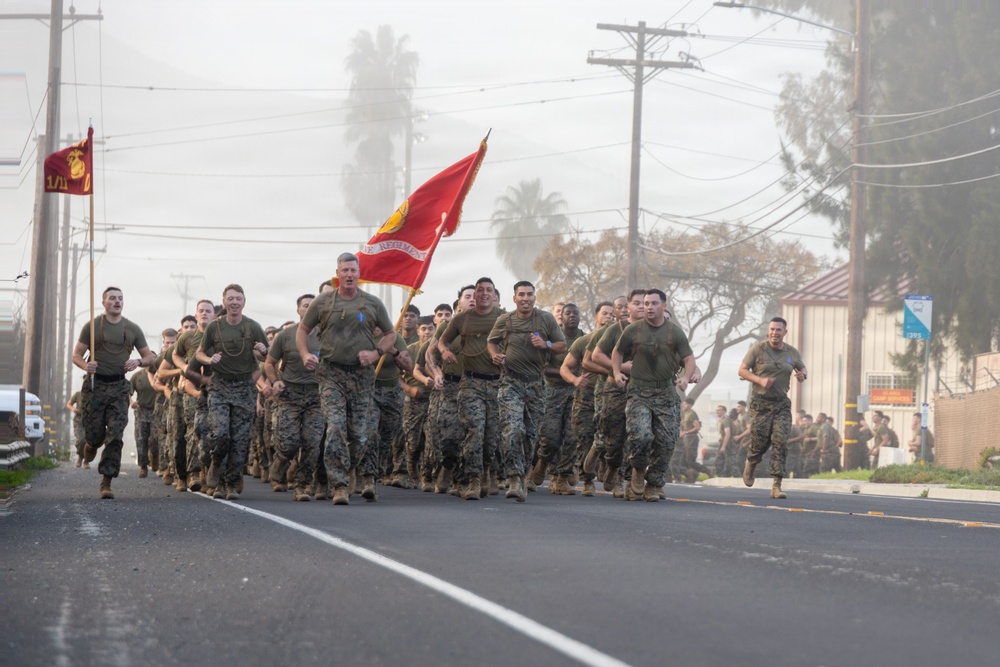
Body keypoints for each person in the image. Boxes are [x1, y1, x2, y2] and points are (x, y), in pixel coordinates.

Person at [297, 253, 396, 505]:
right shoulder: (323, 302)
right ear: (337, 273)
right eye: (345, 271)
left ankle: (350, 466)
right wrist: (305, 353)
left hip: (362, 377)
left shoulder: (372, 303)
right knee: (336, 426)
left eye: (353, 270)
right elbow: (303, 330)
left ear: (359, 273)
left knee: (360, 434)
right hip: (331, 373)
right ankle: (339, 484)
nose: (349, 275)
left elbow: (390, 334)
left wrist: (376, 353)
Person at [611, 288, 697, 501]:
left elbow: (689, 359)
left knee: (666, 442)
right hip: (639, 392)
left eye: (653, 303)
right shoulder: (634, 330)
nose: (648, 307)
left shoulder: (674, 332)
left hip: (665, 393)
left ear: (664, 306)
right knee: (640, 435)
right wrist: (616, 372)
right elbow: (617, 352)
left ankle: (654, 483)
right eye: (646, 304)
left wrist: (685, 378)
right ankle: (638, 470)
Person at [71, 286, 156, 499]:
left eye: (120, 298)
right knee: (95, 434)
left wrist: (137, 361)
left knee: (116, 435)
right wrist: (85, 366)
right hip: (95, 387)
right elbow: (77, 355)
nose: (117, 302)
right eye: (112, 298)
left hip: (119, 388)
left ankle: (106, 481)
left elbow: (149, 358)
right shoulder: (92, 327)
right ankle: (91, 444)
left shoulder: (132, 329)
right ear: (104, 303)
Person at [197, 284, 269, 500]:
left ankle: (229, 483)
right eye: (231, 298)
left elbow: (268, 358)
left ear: (244, 302)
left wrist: (263, 352)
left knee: (239, 440)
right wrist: (210, 359)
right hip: (220, 386)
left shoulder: (253, 327)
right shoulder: (214, 327)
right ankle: (216, 466)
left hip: (244, 388)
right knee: (221, 434)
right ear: (225, 301)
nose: (235, 302)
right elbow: (199, 354)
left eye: (239, 298)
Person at [737, 316, 807, 499]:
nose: (775, 333)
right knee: (760, 441)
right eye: (772, 329)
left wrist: (802, 375)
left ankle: (776, 485)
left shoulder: (791, 352)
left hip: (781, 404)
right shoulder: (758, 350)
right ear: (768, 331)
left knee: (780, 441)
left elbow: (802, 367)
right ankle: (752, 461)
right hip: (760, 404)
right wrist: (759, 380)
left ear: (785, 332)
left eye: (778, 330)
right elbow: (742, 370)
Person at [263, 294, 324, 501]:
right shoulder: (285, 336)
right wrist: (274, 381)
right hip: (290, 394)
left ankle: (302, 485)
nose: (309, 309)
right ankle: (280, 462)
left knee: (312, 442)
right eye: (305, 306)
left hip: (317, 396)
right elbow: (269, 363)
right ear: (298, 311)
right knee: (288, 443)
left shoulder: (326, 336)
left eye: (313, 306)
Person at [531, 302, 583, 495]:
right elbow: (541, 367)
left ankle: (560, 478)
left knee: (571, 436)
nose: (571, 316)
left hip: (575, 393)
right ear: (560, 317)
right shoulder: (552, 338)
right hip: (552, 392)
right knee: (550, 436)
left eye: (575, 313)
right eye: (567, 313)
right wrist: (565, 372)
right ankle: (542, 462)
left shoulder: (583, 339)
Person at [173, 300, 216, 491]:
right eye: (201, 311)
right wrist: (183, 369)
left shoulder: (220, 336)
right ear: (196, 314)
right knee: (193, 432)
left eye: (208, 311)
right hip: (193, 392)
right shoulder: (188, 338)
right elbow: (174, 356)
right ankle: (192, 474)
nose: (204, 314)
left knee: (214, 434)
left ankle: (208, 472)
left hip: (218, 391)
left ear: (214, 315)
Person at [128, 366, 157, 478]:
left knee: (154, 438)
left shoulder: (160, 374)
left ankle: (154, 455)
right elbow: (128, 390)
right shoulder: (138, 376)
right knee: (141, 439)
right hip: (141, 410)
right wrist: (131, 402)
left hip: (156, 411)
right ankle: (143, 466)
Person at [66, 386, 86, 468]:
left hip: (90, 421)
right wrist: (74, 410)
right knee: (80, 440)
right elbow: (69, 404)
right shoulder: (78, 394)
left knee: (88, 441)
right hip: (78, 421)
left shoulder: (94, 394)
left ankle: (86, 460)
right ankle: (80, 457)